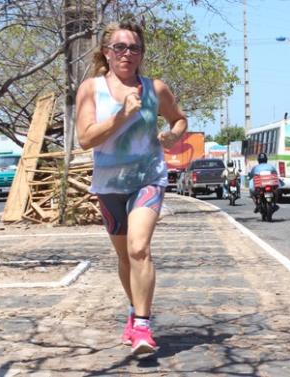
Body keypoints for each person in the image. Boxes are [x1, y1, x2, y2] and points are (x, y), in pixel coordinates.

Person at [75, 20, 187, 356]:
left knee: (139, 249)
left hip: (148, 177)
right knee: (125, 258)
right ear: (107, 53)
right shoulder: (91, 89)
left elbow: (179, 119)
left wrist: (173, 134)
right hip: (109, 184)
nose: (127, 53)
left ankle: (142, 326)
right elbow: (85, 139)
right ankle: (133, 311)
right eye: (120, 47)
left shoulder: (155, 89)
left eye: (134, 48)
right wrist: (122, 116)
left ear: (141, 54)